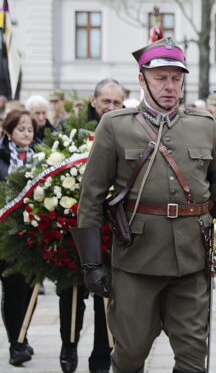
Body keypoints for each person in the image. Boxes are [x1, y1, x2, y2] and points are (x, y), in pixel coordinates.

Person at [74, 37, 216, 373]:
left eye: (176, 78)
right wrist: (92, 264)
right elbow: (91, 198)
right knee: (130, 355)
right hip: (137, 260)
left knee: (194, 358)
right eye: (160, 78)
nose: (170, 86)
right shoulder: (115, 126)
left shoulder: (203, 125)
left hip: (192, 261)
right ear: (142, 79)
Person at [57, 78, 127, 373]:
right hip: (74, 227)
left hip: (110, 229)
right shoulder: (69, 131)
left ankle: (101, 356)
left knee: (106, 294)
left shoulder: (126, 130)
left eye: (117, 103)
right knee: (70, 292)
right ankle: (69, 345)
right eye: (106, 102)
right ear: (93, 101)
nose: (111, 108)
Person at [0, 109, 37, 367]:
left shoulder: (40, 156)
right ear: (9, 131)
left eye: (30, 129)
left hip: (31, 234)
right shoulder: (1, 157)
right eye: (21, 128)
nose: (26, 133)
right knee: (12, 288)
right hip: (4, 234)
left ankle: (22, 333)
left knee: (27, 289)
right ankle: (16, 343)